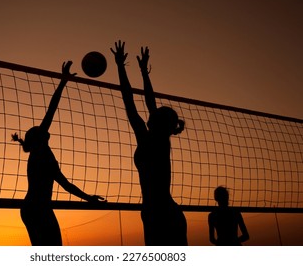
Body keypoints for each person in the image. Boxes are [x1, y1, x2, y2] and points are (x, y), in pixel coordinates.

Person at [12, 61, 105, 246]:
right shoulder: (42, 154)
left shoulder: (40, 152)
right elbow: (51, 111)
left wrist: (63, 81)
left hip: (33, 208)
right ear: (39, 138)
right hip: (38, 208)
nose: (44, 127)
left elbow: (50, 113)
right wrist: (89, 199)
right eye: (40, 129)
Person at [111, 40, 187, 246]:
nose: (150, 115)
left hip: (160, 213)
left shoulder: (154, 139)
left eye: (154, 115)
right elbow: (137, 101)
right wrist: (142, 71)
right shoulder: (154, 137)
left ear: (158, 122)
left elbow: (133, 100)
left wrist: (122, 67)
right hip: (158, 212)